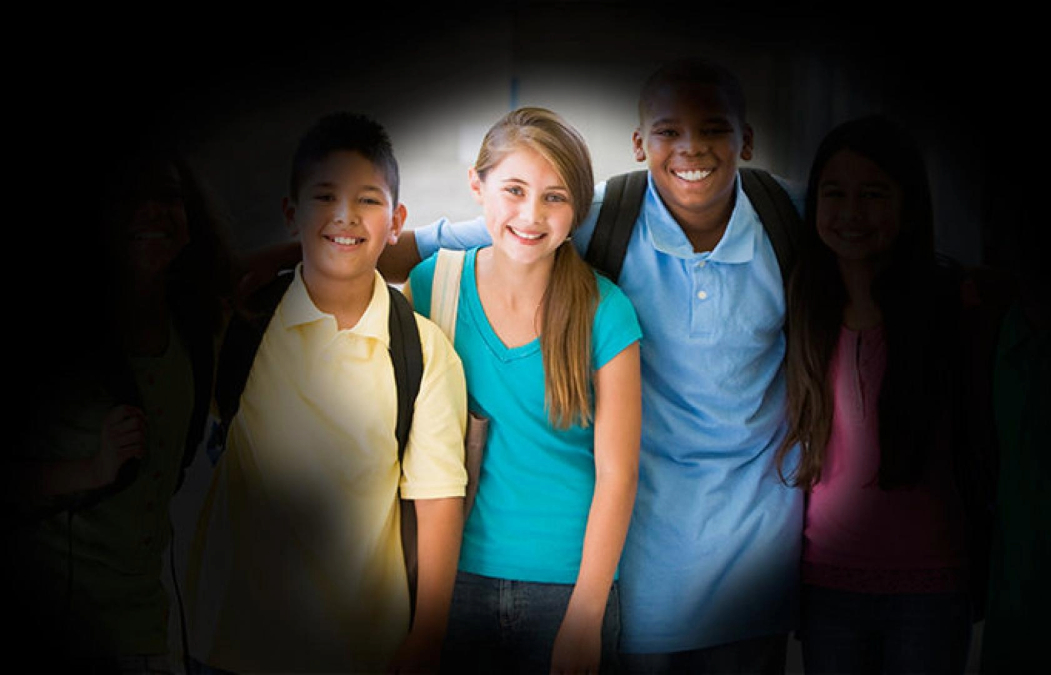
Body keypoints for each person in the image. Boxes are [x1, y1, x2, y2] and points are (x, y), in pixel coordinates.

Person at [378, 58, 807, 672]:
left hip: (688, 553)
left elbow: (892, 234)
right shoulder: (454, 277)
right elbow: (401, 245)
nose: (531, 214)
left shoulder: (783, 214)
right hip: (527, 568)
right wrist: (268, 262)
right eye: (668, 130)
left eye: (713, 128)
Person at [184, 112, 468, 673]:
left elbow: (438, 504)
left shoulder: (422, 349)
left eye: (368, 199)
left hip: (364, 649)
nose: (345, 216)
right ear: (291, 213)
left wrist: (427, 637)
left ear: (396, 221)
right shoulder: (242, 325)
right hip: (230, 646)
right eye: (324, 196)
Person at [405, 106, 641, 674]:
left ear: (577, 211)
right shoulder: (431, 285)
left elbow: (618, 474)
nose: (531, 215)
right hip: (449, 579)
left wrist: (586, 616)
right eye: (514, 189)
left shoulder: (605, 311)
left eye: (555, 197)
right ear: (477, 187)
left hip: (566, 588)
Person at [4, 132, 235, 673]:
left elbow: (244, 274)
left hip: (145, 618)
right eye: (128, 197)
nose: (153, 210)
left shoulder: (195, 325)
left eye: (169, 196)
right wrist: (91, 468)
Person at [776, 114, 990, 674]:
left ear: (908, 205)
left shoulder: (953, 304)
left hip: (931, 586)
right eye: (834, 193)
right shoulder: (802, 302)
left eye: (873, 195)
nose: (851, 214)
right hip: (825, 585)